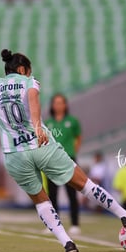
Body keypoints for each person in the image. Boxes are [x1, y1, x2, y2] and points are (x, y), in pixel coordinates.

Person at [0, 49, 126, 252]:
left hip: (14, 155)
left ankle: (67, 242)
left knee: (41, 201)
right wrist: (37, 126)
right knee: (84, 184)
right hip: (41, 147)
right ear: (22, 69)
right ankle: (124, 216)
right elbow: (33, 98)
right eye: (28, 71)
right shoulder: (28, 82)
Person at [44, 93, 82, 234]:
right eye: (56, 103)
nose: (58, 105)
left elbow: (78, 137)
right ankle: (54, 224)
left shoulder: (72, 121)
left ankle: (75, 224)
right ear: (52, 105)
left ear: (65, 105)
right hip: (51, 161)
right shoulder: (48, 123)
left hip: (68, 160)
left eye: (61, 102)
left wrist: (73, 151)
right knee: (52, 194)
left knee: (72, 193)